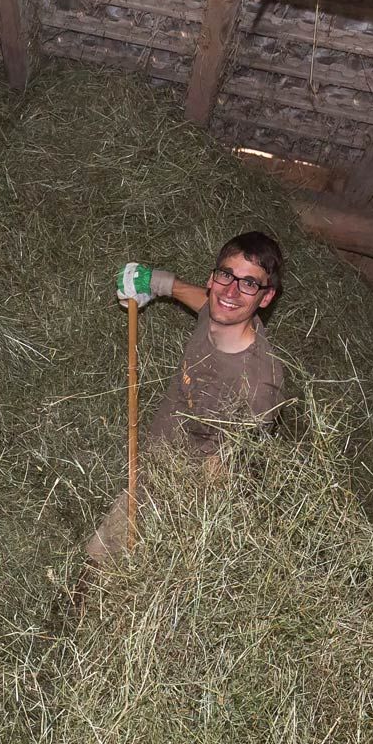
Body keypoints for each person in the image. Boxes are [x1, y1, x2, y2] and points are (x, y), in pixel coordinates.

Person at [83, 231, 288, 563]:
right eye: (226, 275)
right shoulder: (219, 311)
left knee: (107, 566)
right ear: (213, 278)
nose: (232, 291)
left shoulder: (261, 384)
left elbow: (223, 475)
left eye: (250, 284)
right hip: (156, 463)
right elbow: (206, 301)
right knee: (97, 564)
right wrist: (157, 282)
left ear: (265, 299)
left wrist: (169, 526)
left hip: (185, 495)